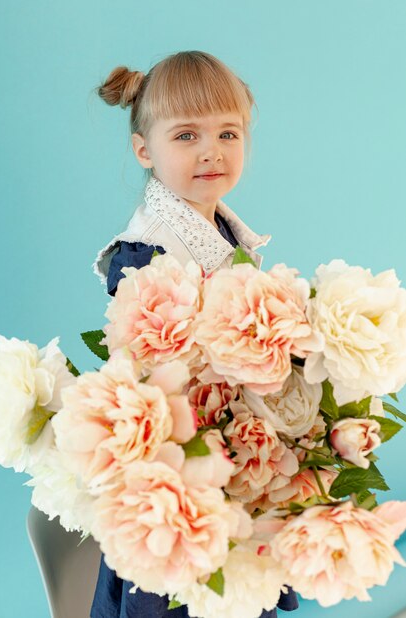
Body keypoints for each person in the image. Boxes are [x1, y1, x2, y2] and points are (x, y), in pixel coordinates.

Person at [91, 50, 299, 618]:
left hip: (230, 455)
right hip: (177, 468)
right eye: (186, 136)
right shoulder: (147, 253)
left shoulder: (225, 230)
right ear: (144, 150)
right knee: (183, 595)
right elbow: (152, 370)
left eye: (228, 133)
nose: (212, 151)